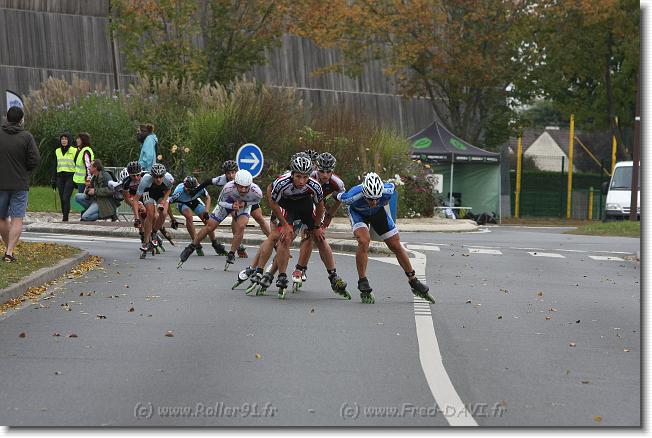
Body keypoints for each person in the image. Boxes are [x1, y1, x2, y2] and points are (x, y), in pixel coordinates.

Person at [245, 154, 349, 300]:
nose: (301, 181)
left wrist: (317, 226)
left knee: (318, 237)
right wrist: (284, 224)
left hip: (307, 206)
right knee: (284, 238)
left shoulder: (315, 184)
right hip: (288, 207)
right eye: (298, 177)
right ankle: (273, 274)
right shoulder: (282, 182)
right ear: (292, 173)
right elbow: (273, 200)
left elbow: (320, 207)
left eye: (305, 177)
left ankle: (333, 275)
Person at [336, 172, 434, 304]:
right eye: (370, 199)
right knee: (364, 241)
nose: (374, 202)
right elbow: (335, 195)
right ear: (364, 193)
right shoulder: (351, 196)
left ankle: (413, 280)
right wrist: (328, 214)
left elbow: (391, 192)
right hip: (358, 214)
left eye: (377, 198)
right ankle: (363, 281)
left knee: (396, 245)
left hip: (378, 213)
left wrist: (379, 204)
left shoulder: (388, 190)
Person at [179, 169, 262, 269]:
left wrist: (245, 203)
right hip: (227, 203)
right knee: (210, 226)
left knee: (241, 226)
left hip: (242, 205)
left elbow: (257, 200)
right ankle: (191, 247)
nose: (243, 190)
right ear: (235, 184)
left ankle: (231, 253)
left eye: (246, 187)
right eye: (241, 187)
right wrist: (231, 206)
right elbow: (220, 202)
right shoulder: (228, 187)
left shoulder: (256, 191)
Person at [290, 152, 345, 291]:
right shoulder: (309, 177)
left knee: (315, 237)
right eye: (322, 171)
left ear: (333, 170)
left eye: (328, 171)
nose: (325, 175)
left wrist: (330, 215)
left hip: (318, 207)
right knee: (296, 235)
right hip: (302, 205)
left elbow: (339, 199)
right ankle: (282, 267)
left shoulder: (337, 183)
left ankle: (328, 274)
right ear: (316, 169)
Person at [192, 159, 271, 257]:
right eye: (228, 173)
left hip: (247, 199)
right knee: (235, 217)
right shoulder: (222, 179)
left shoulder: (243, 177)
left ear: (237, 172)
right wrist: (196, 190)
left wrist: (246, 202)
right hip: (233, 200)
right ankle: (238, 246)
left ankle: (273, 241)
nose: (231, 176)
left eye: (233, 172)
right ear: (225, 174)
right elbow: (208, 182)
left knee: (259, 218)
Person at [0, 106, 40, 262]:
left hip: (1, 184)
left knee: (2, 218)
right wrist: (24, 170)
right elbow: (35, 159)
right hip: (19, 184)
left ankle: (8, 249)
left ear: (6, 118)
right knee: (17, 219)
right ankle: (9, 252)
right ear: (21, 120)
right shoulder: (26, 137)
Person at [169, 175, 225, 256]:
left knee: (208, 221)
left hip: (195, 201)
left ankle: (215, 243)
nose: (190, 192)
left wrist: (206, 211)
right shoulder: (178, 192)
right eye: (188, 190)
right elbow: (167, 204)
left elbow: (208, 197)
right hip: (182, 203)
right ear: (184, 187)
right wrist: (172, 218)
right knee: (189, 216)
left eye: (193, 190)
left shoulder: (200, 187)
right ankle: (196, 243)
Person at [131, 163, 174, 258]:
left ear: (164, 175)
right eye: (155, 177)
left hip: (161, 194)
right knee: (150, 214)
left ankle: (154, 233)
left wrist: (163, 201)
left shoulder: (169, 179)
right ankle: (146, 242)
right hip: (149, 193)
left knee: (164, 213)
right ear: (152, 175)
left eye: (160, 176)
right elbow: (135, 200)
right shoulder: (145, 180)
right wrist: (136, 218)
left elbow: (169, 190)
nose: (158, 179)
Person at [51, 132, 76, 221]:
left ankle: (65, 218)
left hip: (70, 176)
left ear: (69, 140)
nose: (64, 140)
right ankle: (64, 216)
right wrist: (53, 179)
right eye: (62, 139)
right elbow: (55, 165)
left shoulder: (74, 150)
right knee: (62, 198)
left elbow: (78, 164)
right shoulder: (57, 151)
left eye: (66, 139)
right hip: (60, 177)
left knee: (66, 197)